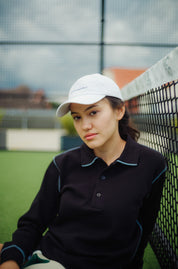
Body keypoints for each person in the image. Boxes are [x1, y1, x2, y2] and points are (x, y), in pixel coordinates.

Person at [0, 73, 167, 269]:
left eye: (93, 112)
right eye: (77, 117)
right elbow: (33, 224)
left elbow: (143, 229)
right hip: (50, 260)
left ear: (119, 110)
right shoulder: (61, 164)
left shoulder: (152, 164)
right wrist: (10, 261)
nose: (85, 126)